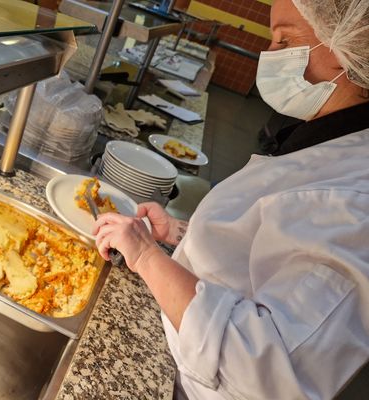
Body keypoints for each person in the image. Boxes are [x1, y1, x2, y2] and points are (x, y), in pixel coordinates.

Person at [93, 0, 369, 398]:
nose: (269, 56)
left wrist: (145, 256)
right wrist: (178, 234)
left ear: (353, 48)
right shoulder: (327, 138)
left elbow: (258, 372)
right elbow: (264, 252)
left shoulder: (355, 204)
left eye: (286, 40)